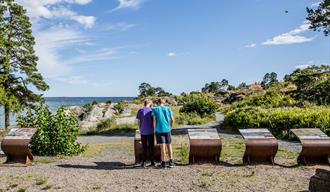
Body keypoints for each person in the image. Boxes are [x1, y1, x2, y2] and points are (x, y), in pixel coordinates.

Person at [152, 98, 175, 169]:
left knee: (162, 147)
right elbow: (172, 119)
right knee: (169, 145)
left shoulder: (155, 109)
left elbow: (154, 120)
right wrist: (170, 127)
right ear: (164, 102)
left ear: (158, 102)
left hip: (159, 130)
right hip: (167, 129)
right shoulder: (168, 109)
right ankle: (171, 162)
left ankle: (163, 163)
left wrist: (154, 129)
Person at [136, 99, 155, 167]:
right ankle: (152, 162)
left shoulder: (140, 110)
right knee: (151, 147)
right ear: (149, 103)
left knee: (144, 147)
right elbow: (154, 121)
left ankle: (143, 162)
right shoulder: (152, 110)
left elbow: (138, 121)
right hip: (151, 131)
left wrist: (139, 128)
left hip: (143, 131)